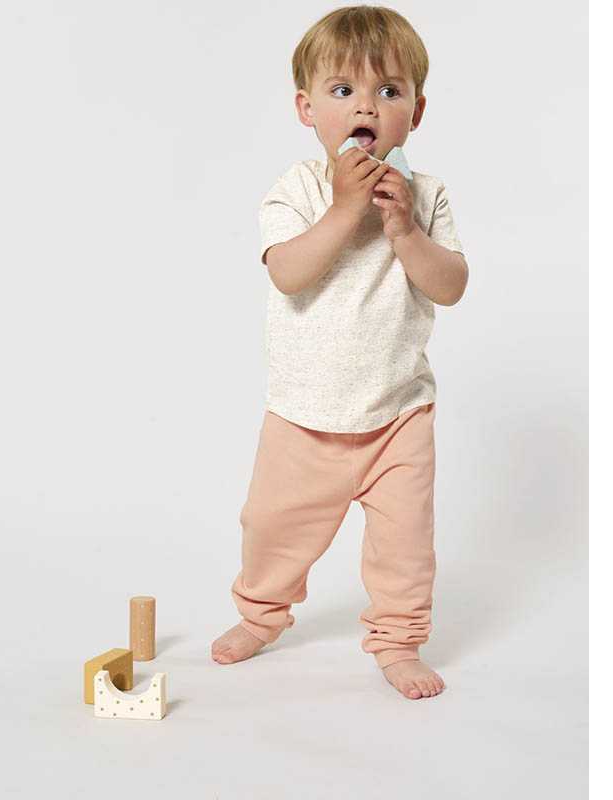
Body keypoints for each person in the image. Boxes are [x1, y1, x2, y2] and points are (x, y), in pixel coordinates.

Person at [211, 5, 468, 701]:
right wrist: (344, 210)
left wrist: (405, 231)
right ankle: (260, 615)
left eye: (389, 91)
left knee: (405, 545)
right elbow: (289, 273)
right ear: (307, 109)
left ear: (415, 113)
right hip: (303, 415)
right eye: (343, 90)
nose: (366, 106)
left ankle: (399, 640)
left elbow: (450, 286)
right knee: (272, 528)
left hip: (398, 415)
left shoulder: (425, 196)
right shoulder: (295, 189)